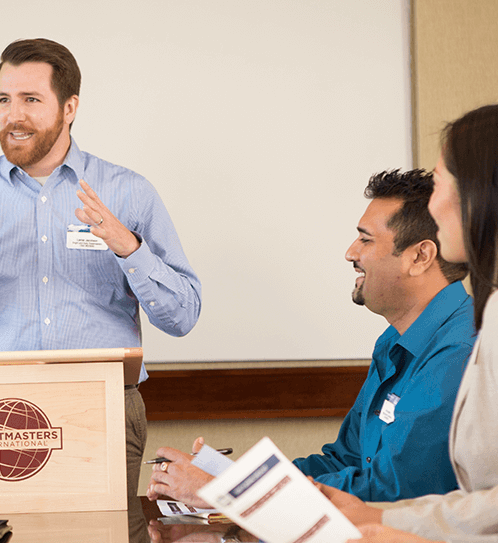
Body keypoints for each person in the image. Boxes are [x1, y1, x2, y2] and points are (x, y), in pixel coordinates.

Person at [0, 38, 202, 495]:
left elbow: (182, 316)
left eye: (30, 100)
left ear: (69, 107)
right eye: (4, 99)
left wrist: (127, 246)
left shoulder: (128, 193)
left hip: (103, 409)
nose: (13, 115)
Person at [149, 169, 473, 505]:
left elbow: (393, 489)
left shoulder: (459, 352)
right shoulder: (392, 342)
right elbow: (345, 460)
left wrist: (234, 493)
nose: (351, 253)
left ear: (420, 257)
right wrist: (235, 478)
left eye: (365, 239)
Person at [322, 104, 498, 543]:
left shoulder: (467, 340)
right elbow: (348, 458)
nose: (437, 207)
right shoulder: (397, 340)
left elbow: (400, 483)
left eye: (443, 184)